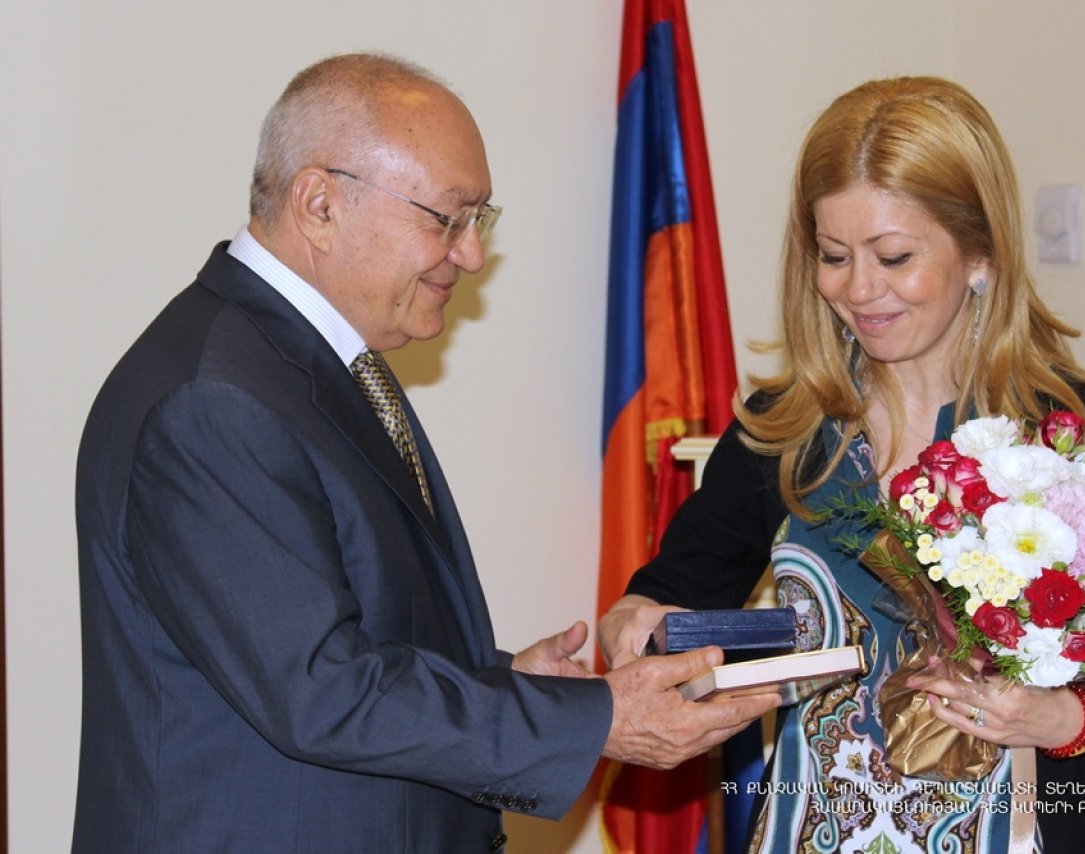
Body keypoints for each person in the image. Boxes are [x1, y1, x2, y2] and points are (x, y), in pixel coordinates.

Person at [72, 52, 778, 853]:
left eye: (480, 219)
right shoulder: (213, 401)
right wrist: (593, 720)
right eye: (446, 219)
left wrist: (507, 686)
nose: (471, 254)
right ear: (320, 204)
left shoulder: (315, 363)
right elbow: (321, 691)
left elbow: (360, 639)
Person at [599, 76, 1085, 853]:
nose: (860, 290)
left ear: (980, 253)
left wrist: (1062, 717)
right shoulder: (785, 431)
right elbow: (664, 597)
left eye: (894, 256)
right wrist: (633, 625)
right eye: (834, 256)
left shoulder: (1074, 434)